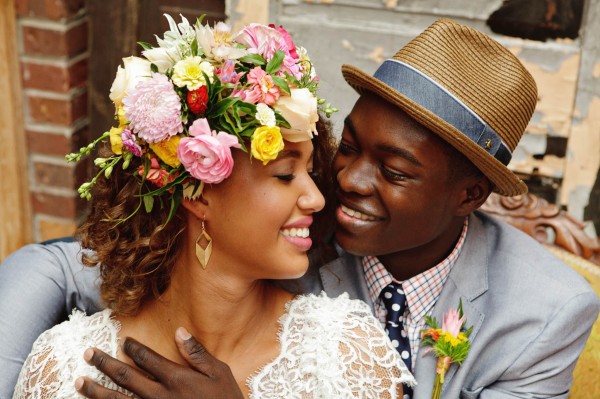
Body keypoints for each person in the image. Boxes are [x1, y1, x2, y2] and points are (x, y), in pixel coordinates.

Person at [2, 18, 599, 399]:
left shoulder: (543, 315)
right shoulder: (289, 223)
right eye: (351, 148)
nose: (342, 181)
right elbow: (66, 265)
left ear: (468, 196)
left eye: (394, 172)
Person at [9, 15, 414, 399]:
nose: (317, 197)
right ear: (198, 195)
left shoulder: (348, 356)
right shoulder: (62, 366)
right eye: (286, 175)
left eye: (310, 171)